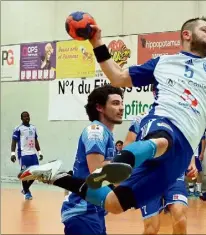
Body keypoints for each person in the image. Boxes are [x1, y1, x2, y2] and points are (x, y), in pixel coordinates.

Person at [18, 17, 206, 219]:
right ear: (187, 34)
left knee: (115, 204)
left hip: (184, 149)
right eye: (205, 29)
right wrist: (97, 42)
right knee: (161, 139)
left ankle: (57, 176)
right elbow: (118, 76)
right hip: (165, 121)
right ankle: (120, 163)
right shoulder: (163, 62)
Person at [60, 85, 129, 235]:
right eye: (115, 103)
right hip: (82, 211)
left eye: (122, 103)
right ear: (99, 107)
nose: (122, 108)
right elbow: (97, 170)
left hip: (95, 210)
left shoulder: (107, 134)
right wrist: (130, 164)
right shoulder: (96, 131)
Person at [126, 114, 196, 234]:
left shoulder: (180, 115)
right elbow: (129, 143)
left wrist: (192, 162)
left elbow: (187, 143)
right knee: (151, 229)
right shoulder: (141, 118)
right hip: (148, 177)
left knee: (181, 220)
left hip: (174, 175)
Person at [11, 111, 43, 200]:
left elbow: (35, 140)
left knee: (37, 173)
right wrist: (12, 153)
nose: (26, 118)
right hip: (24, 154)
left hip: (33, 154)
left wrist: (39, 152)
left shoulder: (33, 128)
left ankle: (25, 189)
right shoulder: (18, 128)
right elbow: (14, 141)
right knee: (25, 174)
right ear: (21, 118)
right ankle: (27, 192)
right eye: (24, 116)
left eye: (28, 116)